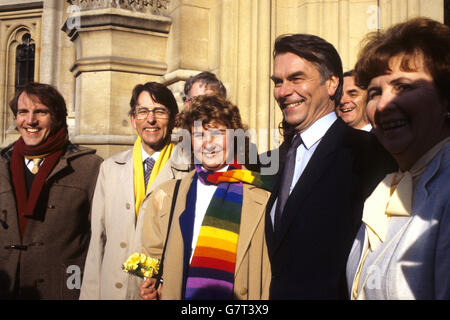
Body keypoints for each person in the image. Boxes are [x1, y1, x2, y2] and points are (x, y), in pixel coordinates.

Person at [265, 34, 396, 299]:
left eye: (296, 78)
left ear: (332, 83)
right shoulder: (277, 158)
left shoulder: (369, 153)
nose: (283, 91)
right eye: (278, 82)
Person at [346, 17, 450, 300]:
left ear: (446, 99)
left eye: (403, 87)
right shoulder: (387, 189)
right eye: (376, 92)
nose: (382, 105)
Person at [139, 95, 272, 300]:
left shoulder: (262, 195)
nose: (208, 143)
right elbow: (148, 253)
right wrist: (148, 284)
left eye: (217, 133)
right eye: (199, 135)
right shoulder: (166, 194)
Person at [80, 82, 191, 300]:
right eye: (143, 112)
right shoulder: (110, 169)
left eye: (160, 111)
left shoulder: (189, 172)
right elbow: (97, 244)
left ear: (174, 119)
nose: (151, 120)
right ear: (133, 119)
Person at [0, 82, 103, 299]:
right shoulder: (2, 164)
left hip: (61, 289)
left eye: (41, 112)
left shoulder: (90, 166)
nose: (30, 121)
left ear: (56, 117)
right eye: (23, 112)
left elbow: (101, 237)